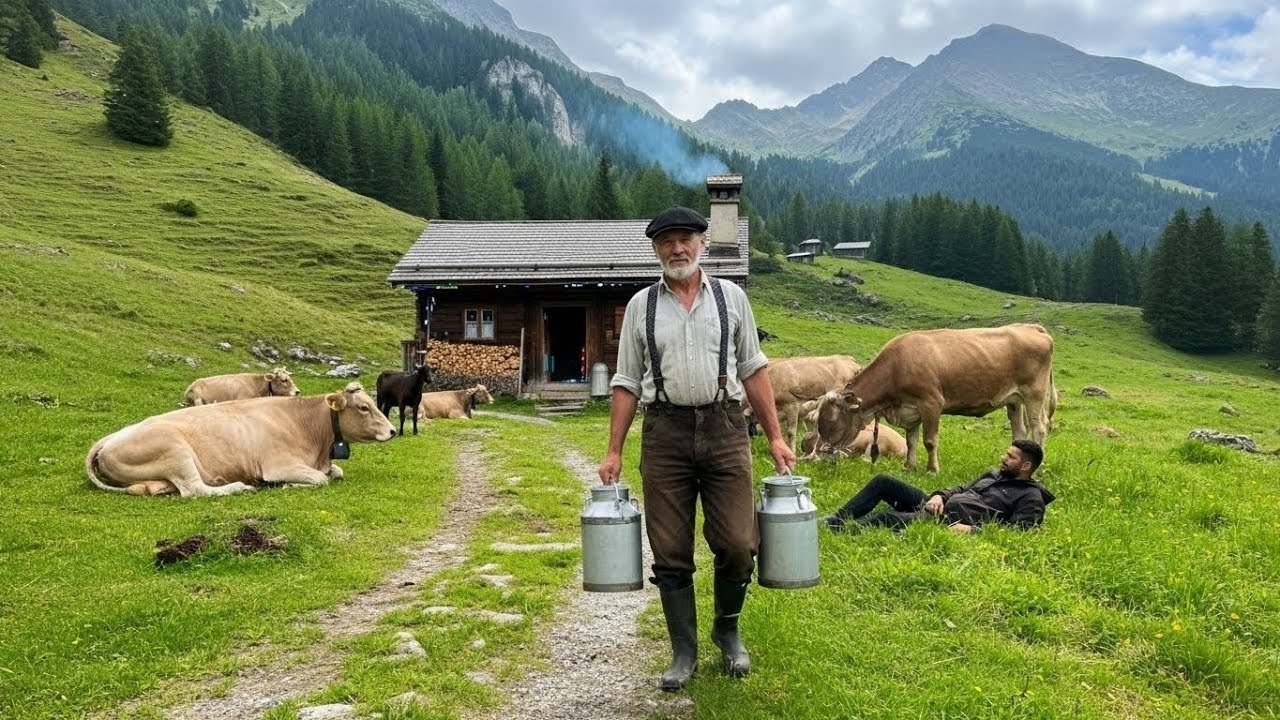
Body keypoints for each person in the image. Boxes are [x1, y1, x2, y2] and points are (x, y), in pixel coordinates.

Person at [598, 205, 795, 691]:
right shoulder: (641, 306)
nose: (677, 248)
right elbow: (625, 381)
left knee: (738, 543)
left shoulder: (731, 298)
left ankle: (727, 630)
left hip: (725, 427)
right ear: (655, 249)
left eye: (685, 239)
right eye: (667, 242)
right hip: (664, 431)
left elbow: (753, 368)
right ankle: (683, 651)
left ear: (703, 243)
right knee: (669, 550)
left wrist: (774, 436)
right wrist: (614, 450)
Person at [822, 440, 1054, 533]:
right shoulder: (995, 474)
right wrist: (939, 496)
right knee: (884, 481)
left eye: (1011, 457)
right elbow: (961, 488)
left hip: (948, 521)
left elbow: (1017, 533)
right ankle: (836, 519)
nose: (1004, 458)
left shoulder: (1031, 498)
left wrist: (971, 531)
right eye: (1007, 453)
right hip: (937, 507)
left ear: (1025, 466)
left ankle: (840, 532)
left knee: (887, 517)